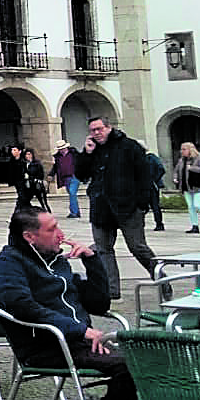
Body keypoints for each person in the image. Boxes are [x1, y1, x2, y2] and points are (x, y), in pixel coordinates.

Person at [0, 209, 135, 400]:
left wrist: (92, 261)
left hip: (78, 341)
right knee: (130, 367)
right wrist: (79, 329)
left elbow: (99, 304)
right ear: (29, 237)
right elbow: (22, 306)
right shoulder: (8, 263)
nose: (61, 235)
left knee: (148, 359)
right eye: (52, 229)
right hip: (46, 345)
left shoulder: (56, 261)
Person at [74, 116, 159, 300]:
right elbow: (81, 174)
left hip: (128, 207)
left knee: (137, 247)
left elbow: (144, 175)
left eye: (99, 129)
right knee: (104, 249)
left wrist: (142, 204)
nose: (96, 133)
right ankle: (111, 290)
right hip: (101, 207)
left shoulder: (129, 146)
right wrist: (86, 154)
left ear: (108, 127)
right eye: (93, 130)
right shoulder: (93, 149)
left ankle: (161, 279)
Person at [172, 142, 200, 233]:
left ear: (190, 149)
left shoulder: (199, 159)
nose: (181, 151)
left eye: (184, 149)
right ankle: (195, 226)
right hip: (186, 187)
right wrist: (175, 178)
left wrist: (192, 168)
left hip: (199, 186)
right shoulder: (181, 160)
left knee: (197, 205)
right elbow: (176, 170)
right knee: (191, 207)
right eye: (181, 149)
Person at [51, 140, 82, 219]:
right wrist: (51, 174)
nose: (62, 150)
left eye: (63, 148)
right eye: (60, 149)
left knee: (72, 193)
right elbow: (55, 167)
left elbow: (81, 162)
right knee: (72, 195)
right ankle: (76, 211)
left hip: (74, 176)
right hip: (65, 178)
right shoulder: (58, 157)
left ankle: (73, 212)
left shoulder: (74, 154)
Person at [20, 148, 49, 213]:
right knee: (23, 201)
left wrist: (34, 178)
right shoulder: (24, 164)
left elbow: (41, 174)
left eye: (29, 154)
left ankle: (48, 214)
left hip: (36, 184)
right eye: (26, 154)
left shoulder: (37, 164)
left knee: (43, 201)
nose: (28, 156)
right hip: (29, 185)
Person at [146, 151, 167, 232]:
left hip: (153, 185)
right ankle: (139, 223)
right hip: (143, 186)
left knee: (155, 205)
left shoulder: (152, 157)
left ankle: (159, 224)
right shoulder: (138, 157)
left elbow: (161, 169)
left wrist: (154, 180)